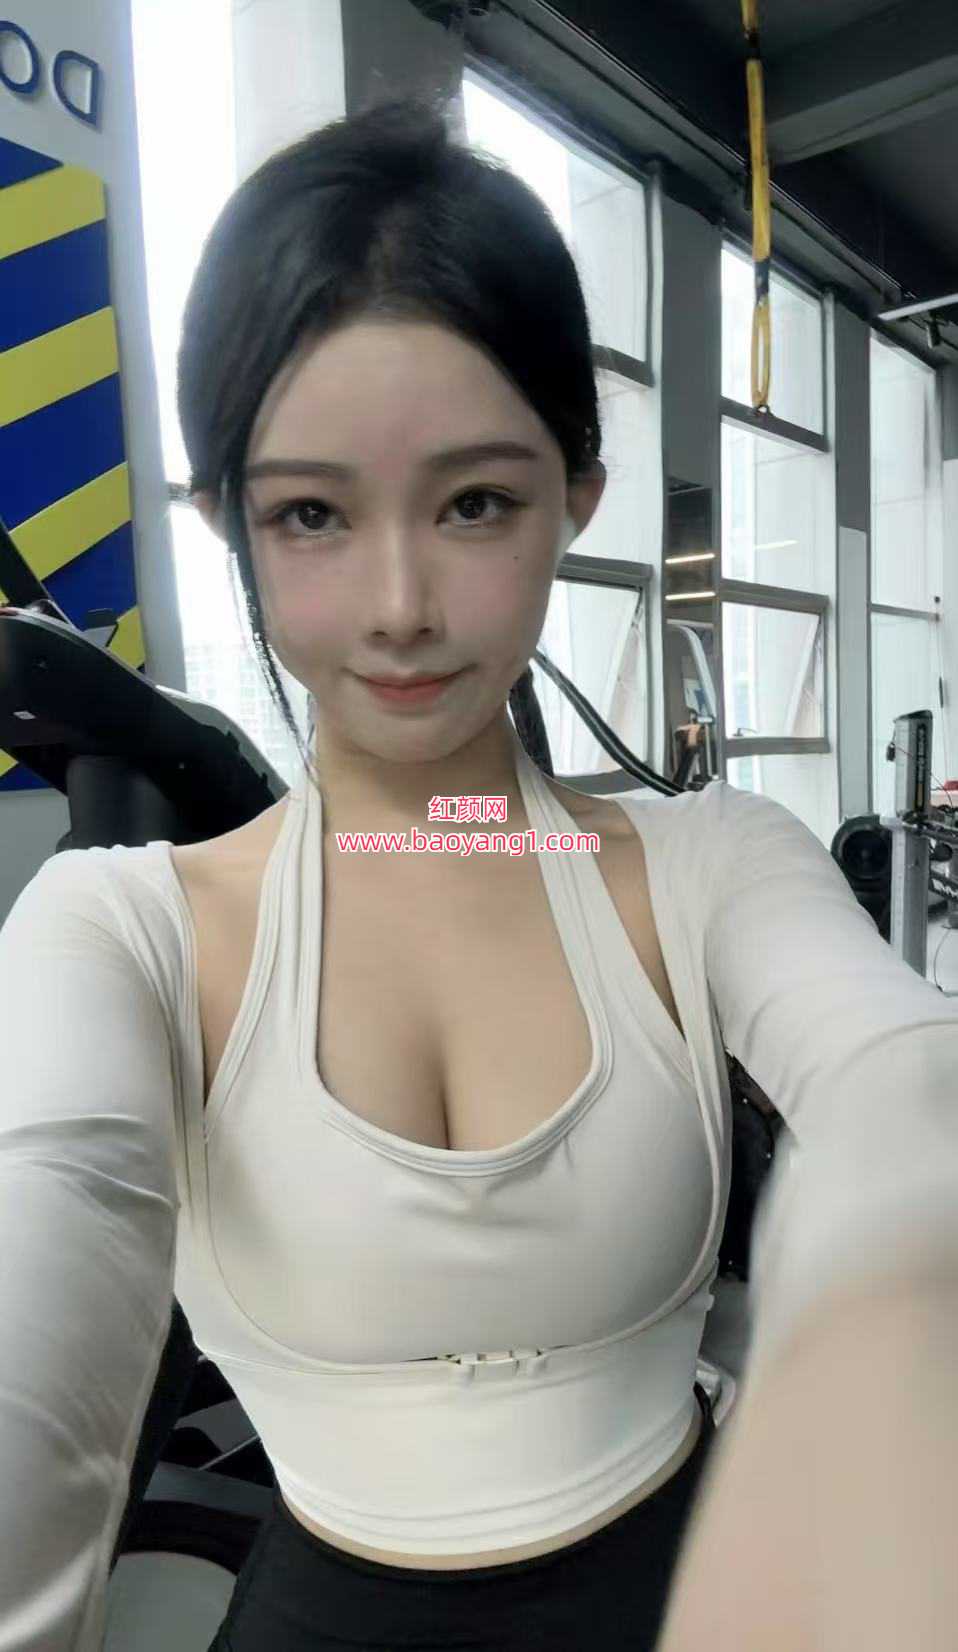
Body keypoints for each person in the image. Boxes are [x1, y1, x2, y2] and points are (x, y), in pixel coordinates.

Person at [0, 89, 956, 1652]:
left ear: (575, 494)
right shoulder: (120, 931)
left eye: (474, 504)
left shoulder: (711, 865)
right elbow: (38, 1271)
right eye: (313, 514)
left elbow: (904, 1081)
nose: (400, 604)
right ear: (230, 523)